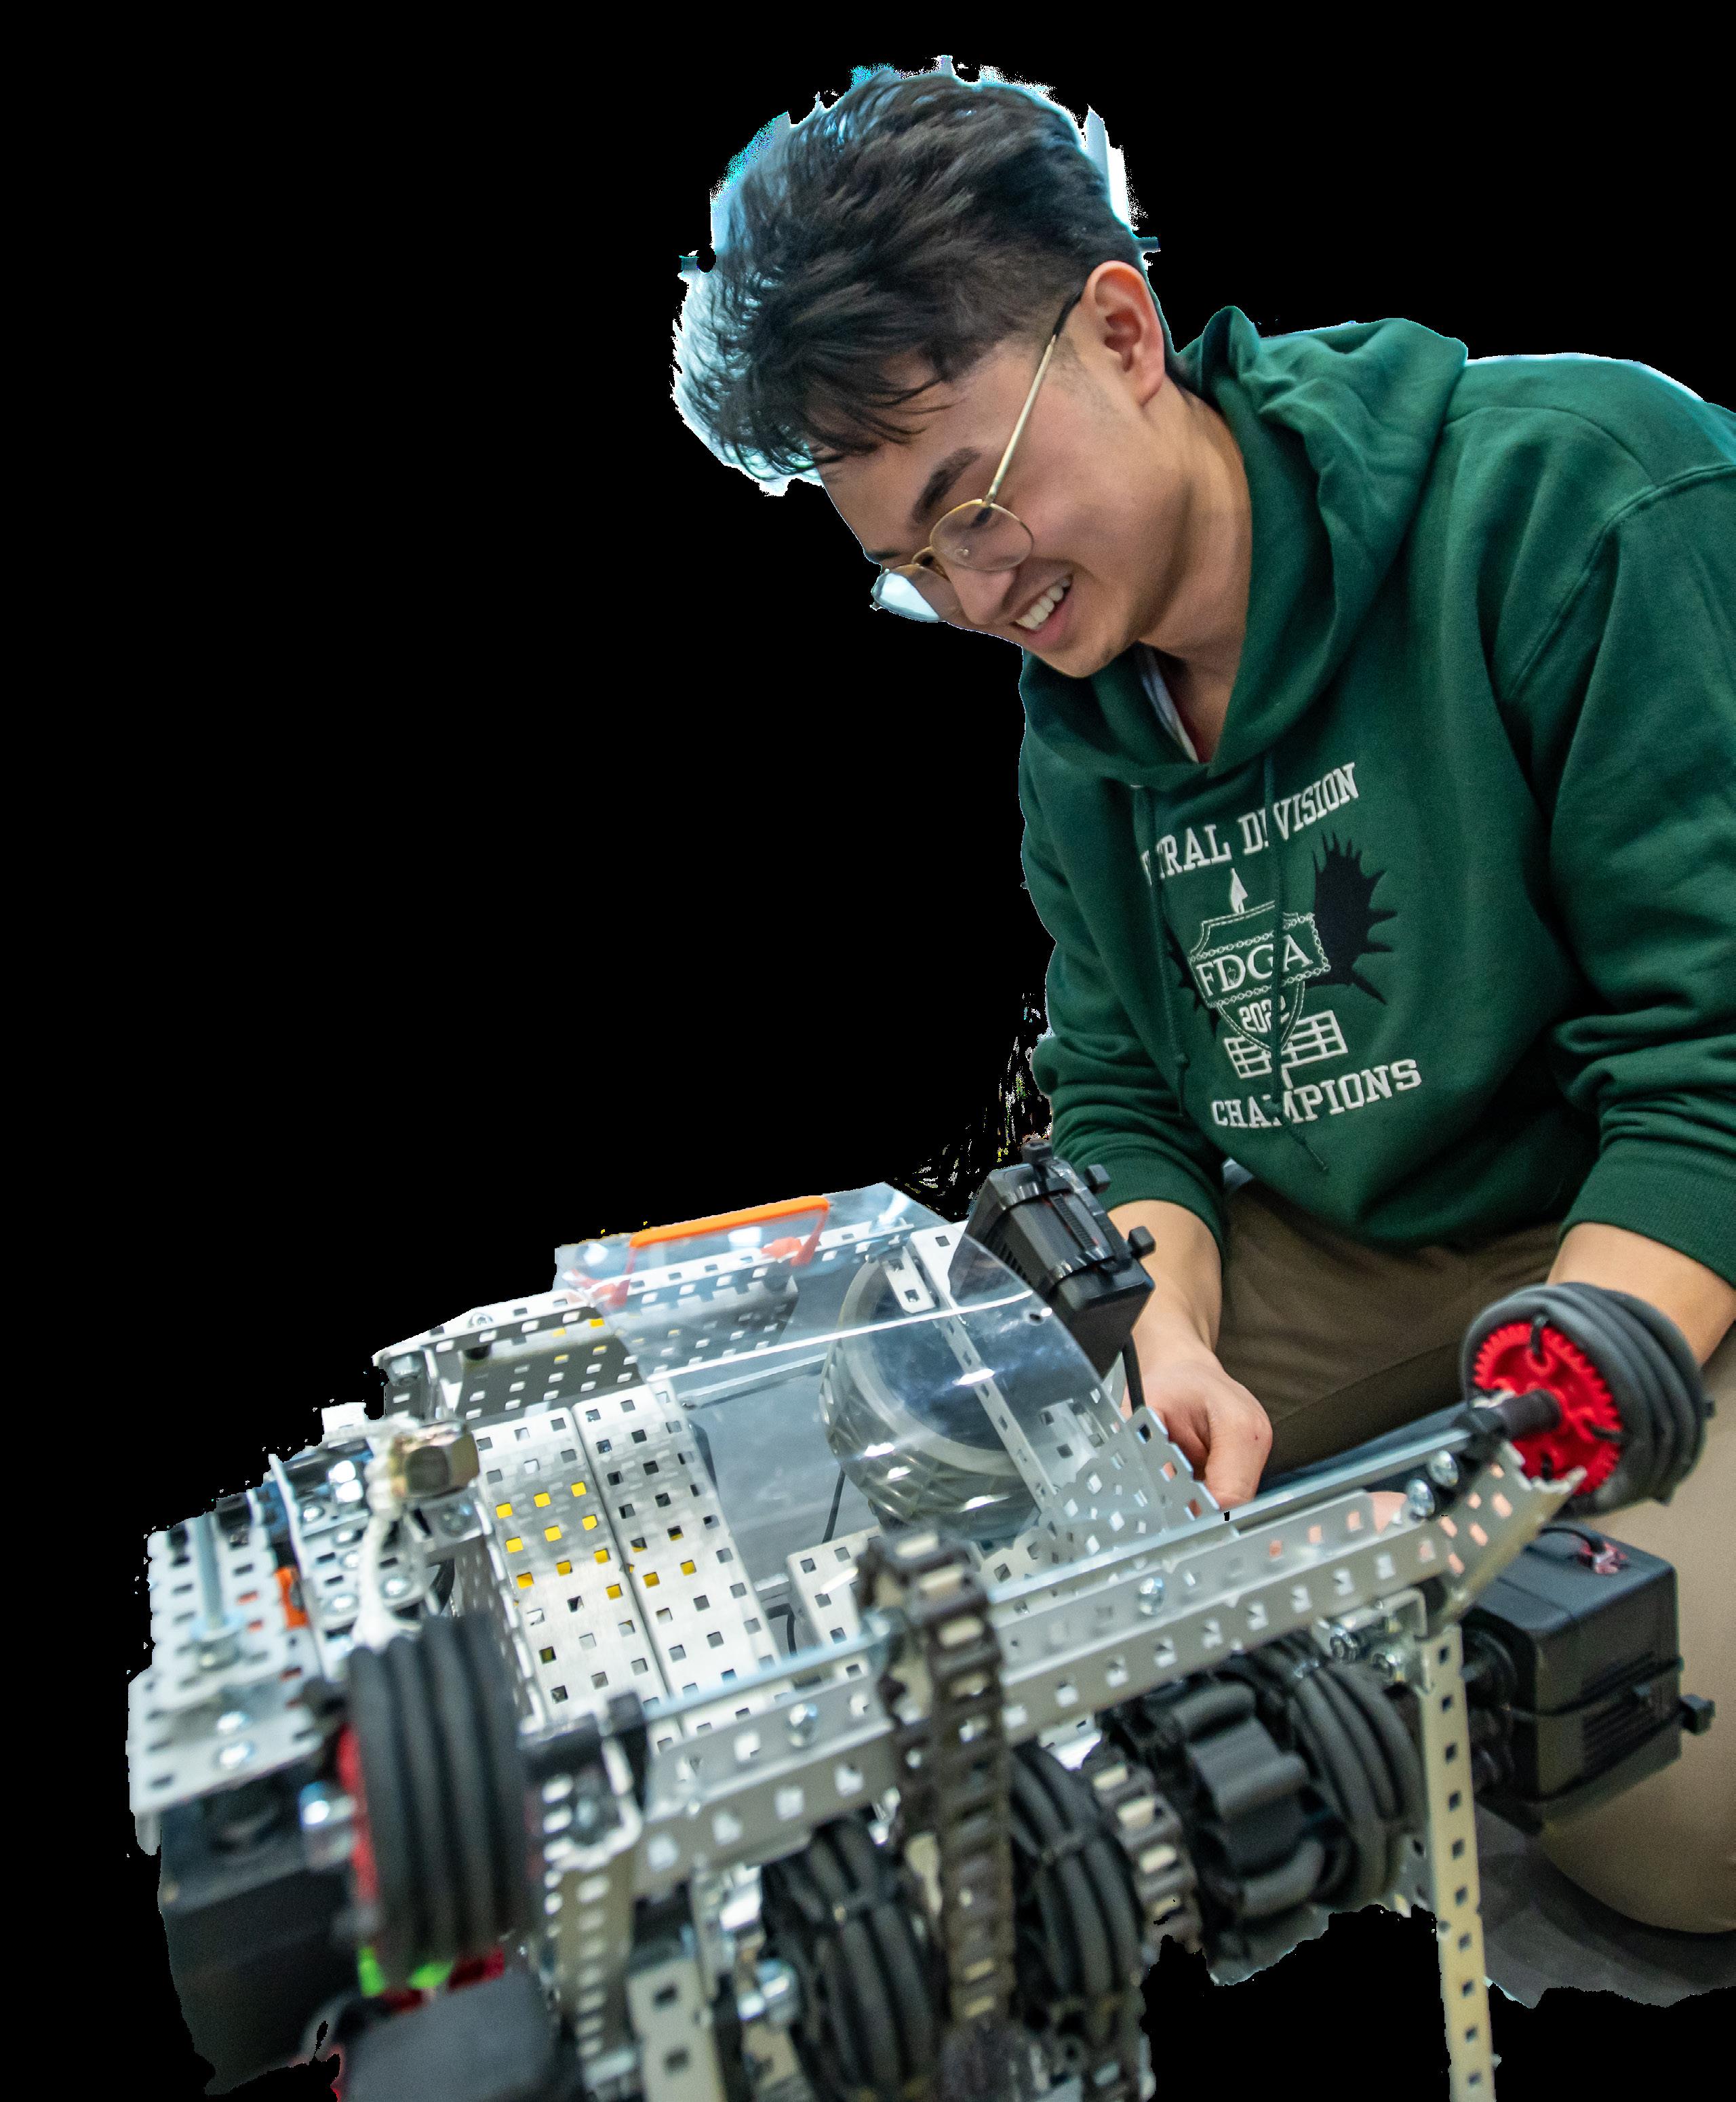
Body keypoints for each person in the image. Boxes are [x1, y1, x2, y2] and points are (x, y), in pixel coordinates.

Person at [672, 65, 1735, 1935]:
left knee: (1662, 1803)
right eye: (912, 568)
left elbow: (1711, 1062)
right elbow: (1126, 1097)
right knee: (983, 1510)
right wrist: (1160, 1337)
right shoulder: (1078, 723)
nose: (977, 594)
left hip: (1645, 1205)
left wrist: (1514, 1450)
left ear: (1121, 329)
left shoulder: (1581, 497)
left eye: (974, 505)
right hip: (1361, 1231)